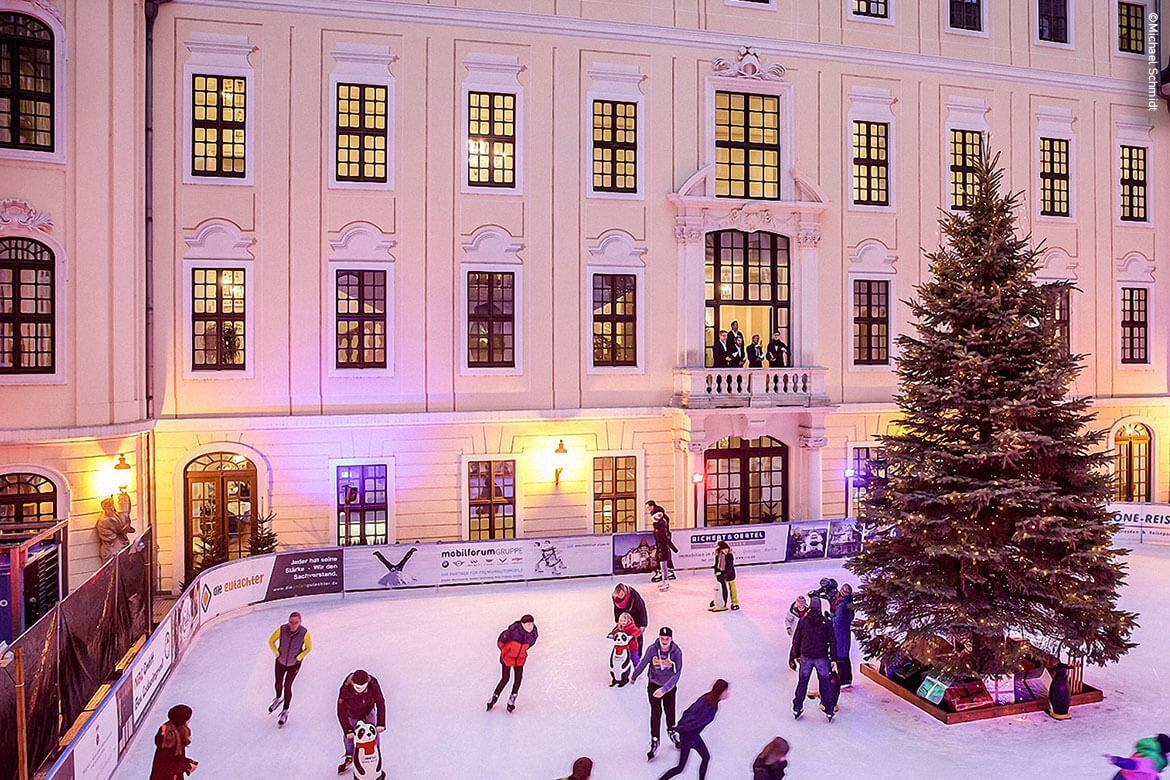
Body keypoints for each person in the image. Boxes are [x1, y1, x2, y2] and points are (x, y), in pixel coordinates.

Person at [656, 679, 730, 780]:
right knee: (681, 767)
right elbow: (694, 721)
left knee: (701, 759)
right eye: (726, 691)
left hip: (691, 735)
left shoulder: (707, 699)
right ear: (720, 692)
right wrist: (679, 728)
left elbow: (689, 713)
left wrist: (680, 726)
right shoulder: (709, 706)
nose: (728, 693)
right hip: (689, 737)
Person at [631, 626, 684, 760]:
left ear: (671, 639)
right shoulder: (652, 650)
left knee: (670, 710)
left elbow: (677, 674)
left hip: (669, 687)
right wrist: (634, 676)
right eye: (662, 638)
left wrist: (664, 689)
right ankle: (655, 738)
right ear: (659, 638)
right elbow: (643, 663)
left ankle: (672, 730)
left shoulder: (676, 652)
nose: (664, 641)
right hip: (654, 685)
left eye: (667, 639)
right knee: (656, 712)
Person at [789, 597, 839, 720]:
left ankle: (797, 706)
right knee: (825, 683)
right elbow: (833, 641)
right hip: (821, 657)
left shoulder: (803, 621)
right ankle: (829, 708)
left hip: (806, 657)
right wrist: (833, 658)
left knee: (802, 682)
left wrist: (795, 655)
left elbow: (796, 639)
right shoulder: (826, 623)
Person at [336, 669, 386, 774]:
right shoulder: (346, 688)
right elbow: (341, 710)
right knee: (348, 736)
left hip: (368, 711)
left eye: (364, 687)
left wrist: (381, 723)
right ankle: (350, 756)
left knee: (374, 733)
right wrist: (347, 729)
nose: (361, 690)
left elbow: (380, 701)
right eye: (358, 688)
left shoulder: (373, 682)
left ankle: (376, 754)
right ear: (353, 683)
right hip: (352, 713)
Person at [267, 611, 312, 726]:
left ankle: (285, 710)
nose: (293, 625)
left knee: (287, 685)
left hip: (294, 664)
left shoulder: (304, 633)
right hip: (281, 662)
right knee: (278, 683)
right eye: (291, 622)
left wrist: (299, 657)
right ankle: (278, 698)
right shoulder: (282, 629)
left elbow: (308, 648)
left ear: (300, 622)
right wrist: (277, 653)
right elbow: (271, 641)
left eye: (296, 622)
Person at [488, 614, 539, 712]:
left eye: (531, 624)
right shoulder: (512, 633)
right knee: (505, 678)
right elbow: (500, 642)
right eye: (527, 624)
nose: (530, 627)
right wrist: (506, 652)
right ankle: (494, 697)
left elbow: (529, 644)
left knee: (518, 679)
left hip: (519, 659)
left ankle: (512, 699)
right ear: (522, 624)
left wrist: (521, 652)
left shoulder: (533, 634)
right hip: (507, 658)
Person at [150, 704, 198, 780]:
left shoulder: (176, 732)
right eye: (189, 718)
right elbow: (167, 765)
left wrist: (187, 761)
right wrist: (187, 766)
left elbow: (174, 757)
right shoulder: (170, 738)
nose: (190, 720)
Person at [1104, 734, 1170, 780]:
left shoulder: (1148, 751)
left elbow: (1152, 773)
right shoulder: (1152, 759)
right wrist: (1118, 760)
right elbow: (1134, 764)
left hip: (1126, 775)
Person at [612, 582, 649, 657]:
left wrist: (642, 625)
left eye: (621, 595)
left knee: (637, 636)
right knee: (624, 634)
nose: (620, 597)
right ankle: (625, 654)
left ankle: (638, 655)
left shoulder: (634, 596)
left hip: (636, 616)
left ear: (625, 592)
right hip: (625, 618)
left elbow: (641, 610)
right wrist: (618, 621)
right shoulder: (615, 598)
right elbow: (616, 609)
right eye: (618, 596)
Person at [831, 584, 855, 688]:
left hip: (840, 633)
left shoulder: (841, 605)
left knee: (841, 656)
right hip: (846, 632)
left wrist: (831, 616)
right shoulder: (850, 603)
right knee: (845, 656)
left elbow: (838, 621)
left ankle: (844, 679)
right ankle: (847, 678)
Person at [708, 540, 739, 612]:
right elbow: (716, 564)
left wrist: (725, 574)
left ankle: (735, 602)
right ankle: (719, 601)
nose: (725, 551)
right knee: (721, 588)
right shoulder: (718, 554)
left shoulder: (729, 555)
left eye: (726, 549)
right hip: (721, 573)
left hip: (730, 574)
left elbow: (730, 567)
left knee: (732, 589)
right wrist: (716, 571)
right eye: (723, 549)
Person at [651, 510, 678, 590]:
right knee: (663, 568)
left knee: (664, 568)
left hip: (663, 550)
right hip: (661, 550)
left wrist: (674, 549)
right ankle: (664, 582)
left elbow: (666, 540)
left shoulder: (660, 529)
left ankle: (665, 583)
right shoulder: (658, 528)